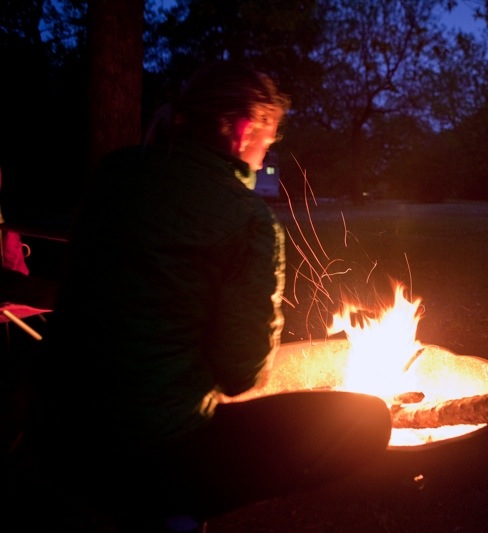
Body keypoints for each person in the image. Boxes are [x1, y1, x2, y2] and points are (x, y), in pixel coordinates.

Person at [29, 61, 391, 531]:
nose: (267, 154)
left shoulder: (114, 174)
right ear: (243, 128)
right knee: (367, 420)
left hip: (52, 434)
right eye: (270, 138)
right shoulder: (246, 218)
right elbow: (241, 374)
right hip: (145, 455)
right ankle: (169, 506)